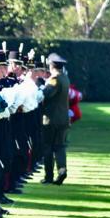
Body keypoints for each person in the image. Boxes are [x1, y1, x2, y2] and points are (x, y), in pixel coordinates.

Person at [40, 52, 70, 185]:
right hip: (63, 118)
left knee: (48, 147)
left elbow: (46, 94)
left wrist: (42, 86)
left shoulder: (54, 79)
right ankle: (62, 170)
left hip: (51, 119)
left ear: (51, 65)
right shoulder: (65, 78)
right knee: (60, 146)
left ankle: (49, 176)